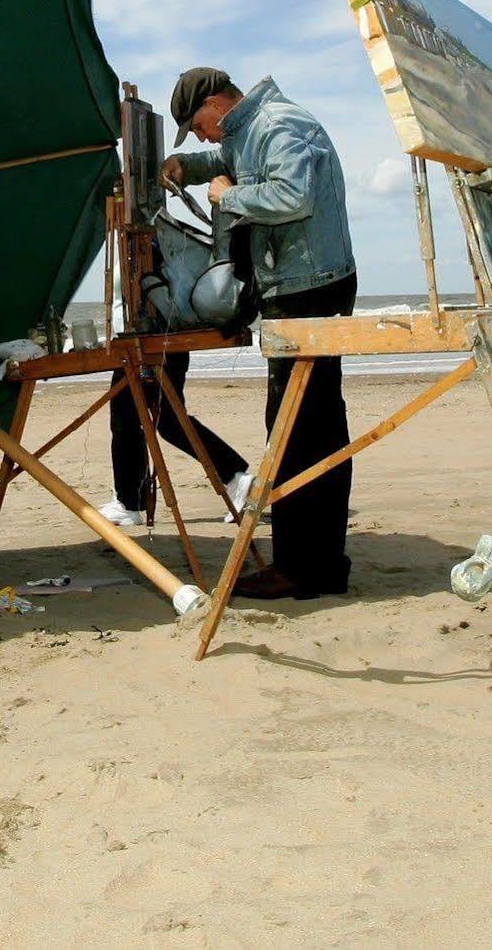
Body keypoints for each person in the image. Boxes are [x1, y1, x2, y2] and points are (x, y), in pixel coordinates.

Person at [162, 67, 357, 599]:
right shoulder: (245, 132)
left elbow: (294, 196)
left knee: (297, 428)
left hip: (308, 290)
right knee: (312, 424)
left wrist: (228, 198)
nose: (201, 136)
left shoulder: (276, 123)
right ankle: (321, 564)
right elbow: (221, 162)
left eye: (197, 126)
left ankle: (300, 570)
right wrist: (189, 165)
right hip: (302, 285)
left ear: (215, 102)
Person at [97, 350, 254, 528]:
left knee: (135, 421)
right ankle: (130, 502)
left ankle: (129, 504)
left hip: (152, 347)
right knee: (165, 423)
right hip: (160, 346)